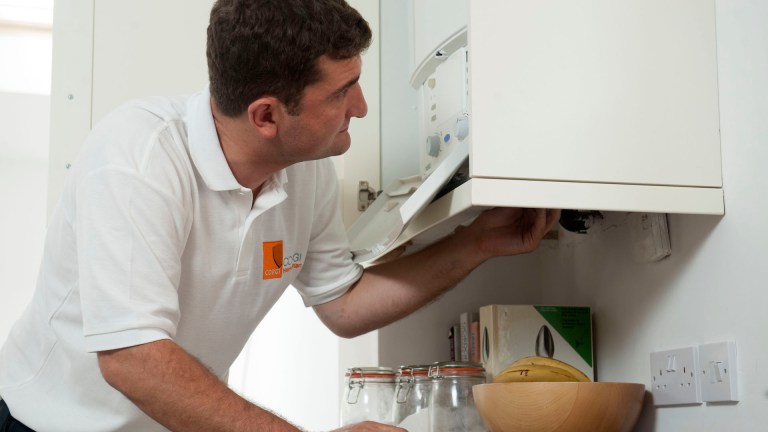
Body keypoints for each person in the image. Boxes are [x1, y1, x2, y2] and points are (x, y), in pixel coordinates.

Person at [0, 0, 560, 431]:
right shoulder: (137, 160)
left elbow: (342, 303)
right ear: (266, 114)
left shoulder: (306, 169)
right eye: (342, 93)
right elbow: (132, 360)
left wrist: (480, 240)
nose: (360, 107)